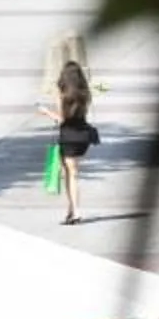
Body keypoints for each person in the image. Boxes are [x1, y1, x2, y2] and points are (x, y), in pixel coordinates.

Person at [51, 59, 100, 226]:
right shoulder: (85, 93)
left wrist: (45, 112)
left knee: (70, 174)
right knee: (70, 173)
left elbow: (61, 120)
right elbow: (101, 90)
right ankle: (71, 210)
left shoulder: (61, 94)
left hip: (68, 137)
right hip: (83, 137)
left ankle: (76, 211)